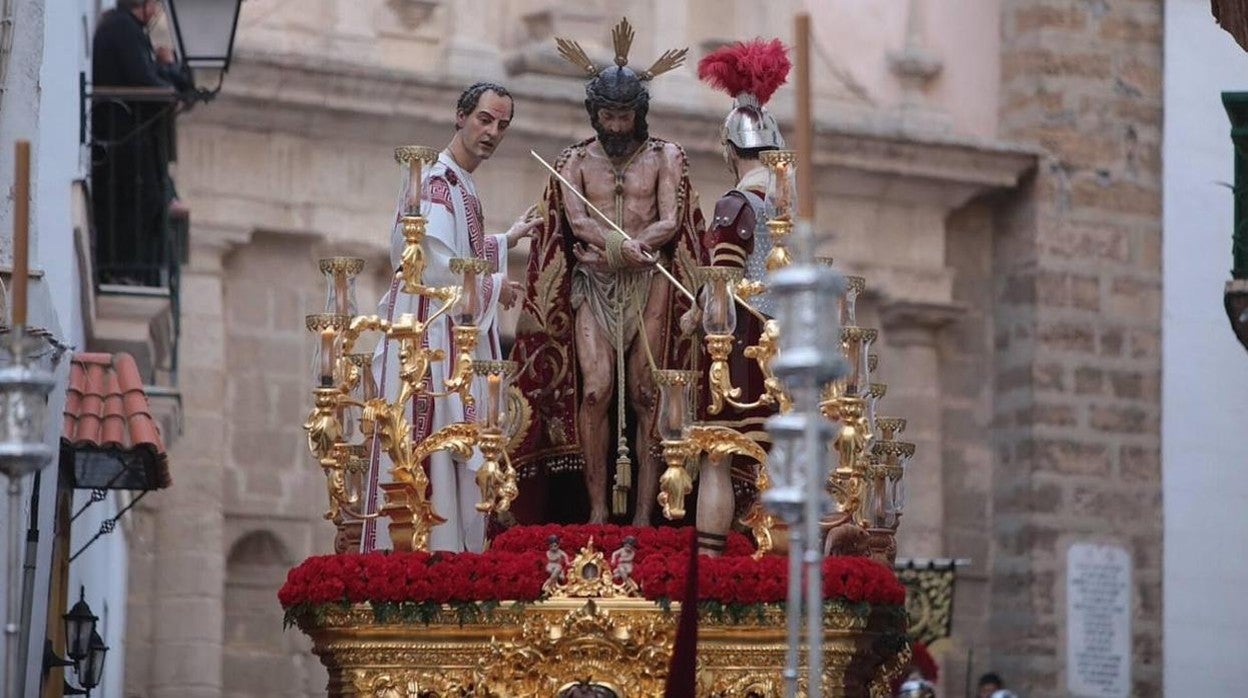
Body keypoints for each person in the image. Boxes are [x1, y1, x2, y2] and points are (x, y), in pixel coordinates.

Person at [508, 19, 704, 527]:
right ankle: (596, 508)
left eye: (624, 115)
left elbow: (669, 218)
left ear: (639, 114)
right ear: (594, 114)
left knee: (644, 393)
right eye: (608, 115)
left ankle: (642, 514)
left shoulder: (666, 156)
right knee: (594, 390)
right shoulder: (573, 161)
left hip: (649, 280)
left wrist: (638, 247)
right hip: (595, 281)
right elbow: (574, 221)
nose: (616, 126)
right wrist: (617, 245)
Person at [365, 82, 540, 553]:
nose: (492, 132)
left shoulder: (459, 182)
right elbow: (434, 267)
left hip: (447, 332)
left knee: (451, 452)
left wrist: (505, 242)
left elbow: (455, 251)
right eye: (484, 119)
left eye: (501, 125)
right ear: (460, 116)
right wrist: (494, 286)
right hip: (431, 341)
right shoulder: (437, 183)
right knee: (436, 450)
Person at [687, 38, 791, 554]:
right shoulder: (788, 209)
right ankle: (769, 556)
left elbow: (723, 292)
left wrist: (695, 319)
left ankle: (710, 561)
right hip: (787, 348)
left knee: (718, 454)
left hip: (742, 351)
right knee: (780, 457)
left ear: (730, 150)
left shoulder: (735, 205)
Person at [91, 0, 193, 286]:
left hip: (127, 145)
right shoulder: (122, 28)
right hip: (123, 145)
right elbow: (145, 80)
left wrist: (169, 69)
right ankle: (126, 272)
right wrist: (170, 92)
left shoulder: (127, 30)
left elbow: (162, 81)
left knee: (148, 202)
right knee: (141, 203)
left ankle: (133, 272)